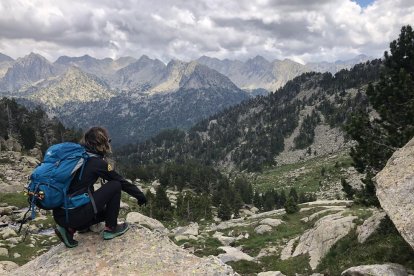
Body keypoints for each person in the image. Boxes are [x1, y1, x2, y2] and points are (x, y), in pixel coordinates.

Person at [53, 126, 147, 248]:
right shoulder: (97, 163)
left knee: (103, 211)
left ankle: (70, 229)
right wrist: (140, 196)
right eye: (108, 141)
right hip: (76, 215)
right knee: (115, 185)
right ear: (101, 143)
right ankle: (111, 228)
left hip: (61, 215)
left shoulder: (76, 157)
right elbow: (120, 181)